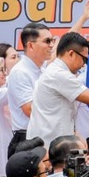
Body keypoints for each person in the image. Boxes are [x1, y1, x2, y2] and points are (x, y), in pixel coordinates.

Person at [7, 23, 53, 157]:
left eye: (52, 41)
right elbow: (29, 109)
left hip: (42, 135)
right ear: (31, 45)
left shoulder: (42, 70)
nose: (51, 45)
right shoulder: (20, 72)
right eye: (47, 41)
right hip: (27, 139)